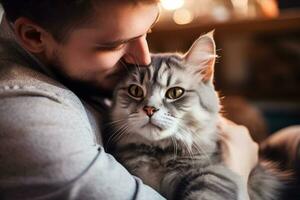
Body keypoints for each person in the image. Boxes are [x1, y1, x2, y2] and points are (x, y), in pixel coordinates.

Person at [0, 0, 261, 199]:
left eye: (148, 31)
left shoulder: (81, 71)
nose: (144, 58)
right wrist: (238, 167)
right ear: (34, 36)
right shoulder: (31, 122)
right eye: (115, 45)